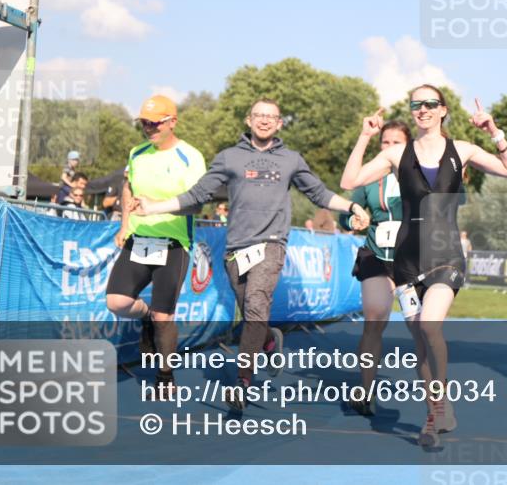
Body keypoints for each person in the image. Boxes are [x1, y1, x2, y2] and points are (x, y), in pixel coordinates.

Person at [136, 97, 370, 410]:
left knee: (257, 303)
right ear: (249, 120)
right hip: (236, 249)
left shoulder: (290, 159)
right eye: (258, 115)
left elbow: (318, 192)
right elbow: (198, 194)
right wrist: (153, 207)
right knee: (251, 315)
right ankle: (269, 340)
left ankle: (242, 382)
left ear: (279, 123)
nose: (264, 120)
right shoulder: (229, 157)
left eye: (271, 116)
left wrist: (352, 205)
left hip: (273, 244)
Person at [341, 85, 507, 447]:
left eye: (429, 104)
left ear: (442, 110)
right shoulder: (396, 154)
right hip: (407, 260)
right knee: (421, 345)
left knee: (429, 324)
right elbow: (349, 182)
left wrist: (494, 132)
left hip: (446, 255)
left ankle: (436, 412)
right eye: (415, 105)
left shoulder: (464, 150)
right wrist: (364, 137)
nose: (422, 110)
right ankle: (437, 410)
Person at [105, 95, 207, 400]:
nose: (149, 128)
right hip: (140, 238)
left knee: (166, 316)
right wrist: (125, 224)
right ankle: (146, 315)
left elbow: (198, 202)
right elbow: (128, 188)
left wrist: (157, 208)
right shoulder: (137, 153)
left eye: (155, 123)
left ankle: (165, 375)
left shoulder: (190, 156)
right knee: (117, 302)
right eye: (144, 123)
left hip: (174, 242)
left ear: (172, 122)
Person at [337, 120, 411, 417]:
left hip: (412, 258)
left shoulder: (419, 176)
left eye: (396, 143)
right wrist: (352, 220)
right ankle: (366, 392)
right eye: (385, 143)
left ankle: (436, 397)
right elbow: (347, 211)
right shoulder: (370, 179)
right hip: (376, 255)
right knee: (375, 318)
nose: (390, 148)